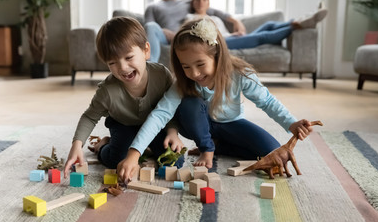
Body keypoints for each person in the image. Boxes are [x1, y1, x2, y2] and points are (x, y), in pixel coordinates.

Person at [116, 18, 314, 182]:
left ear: (217, 55)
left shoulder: (240, 74)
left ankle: (220, 146)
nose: (193, 73)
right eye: (185, 67)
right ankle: (207, 148)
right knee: (189, 103)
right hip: (197, 125)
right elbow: (160, 114)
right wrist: (133, 154)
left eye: (200, 64)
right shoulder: (183, 83)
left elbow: (268, 102)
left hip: (232, 124)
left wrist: (291, 123)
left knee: (272, 153)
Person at [63, 16, 184, 179]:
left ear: (146, 50)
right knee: (116, 160)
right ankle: (104, 145)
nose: (123, 67)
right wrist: (77, 145)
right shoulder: (107, 90)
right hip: (123, 125)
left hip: (155, 126)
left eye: (129, 57)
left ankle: (143, 146)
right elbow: (89, 117)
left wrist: (172, 131)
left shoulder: (162, 75)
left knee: (175, 161)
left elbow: (170, 108)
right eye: (112, 63)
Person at [187, 0, 328, 50]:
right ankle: (297, 25)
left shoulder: (214, 17)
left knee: (269, 24)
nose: (200, 2)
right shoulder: (190, 18)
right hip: (220, 43)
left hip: (229, 38)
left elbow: (222, 31)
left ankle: (298, 20)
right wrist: (230, 36)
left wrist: (234, 33)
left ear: (208, 3)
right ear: (193, 3)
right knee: (262, 36)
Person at [145, 0, 246, 62]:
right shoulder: (153, 7)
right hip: (165, 36)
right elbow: (149, 28)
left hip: (185, 35)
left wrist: (235, 21)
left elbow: (213, 11)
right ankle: (151, 66)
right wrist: (165, 31)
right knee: (150, 26)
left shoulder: (188, 3)